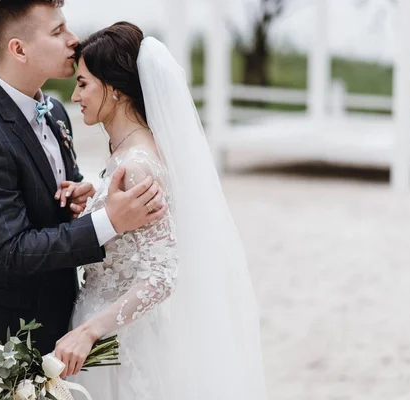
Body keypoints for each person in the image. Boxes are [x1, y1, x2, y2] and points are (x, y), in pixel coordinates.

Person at [0, 1, 167, 356]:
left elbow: (53, 200)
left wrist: (86, 199)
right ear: (18, 49)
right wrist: (110, 220)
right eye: (57, 32)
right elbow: (12, 249)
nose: (74, 40)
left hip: (62, 325)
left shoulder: (56, 112)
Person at [53, 22, 268, 399]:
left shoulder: (139, 164)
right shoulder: (127, 154)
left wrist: (89, 331)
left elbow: (161, 275)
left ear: (114, 89)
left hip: (119, 345)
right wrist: (93, 200)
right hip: (101, 330)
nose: (75, 96)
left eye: (84, 83)